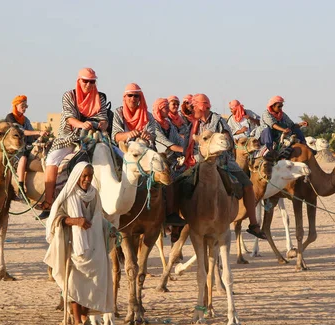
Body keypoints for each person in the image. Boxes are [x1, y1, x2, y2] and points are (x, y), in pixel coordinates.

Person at [44, 162, 114, 325]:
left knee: (92, 282)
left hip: (94, 245)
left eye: (90, 176)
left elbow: (98, 217)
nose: (87, 179)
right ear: (77, 176)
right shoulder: (67, 196)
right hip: (75, 246)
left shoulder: (94, 194)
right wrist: (75, 221)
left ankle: (85, 318)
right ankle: (77, 323)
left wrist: (110, 228)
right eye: (84, 176)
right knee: (75, 283)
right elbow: (56, 219)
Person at [184, 93, 266, 239]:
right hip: (199, 162)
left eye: (193, 106)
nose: (191, 109)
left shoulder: (218, 121)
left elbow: (227, 142)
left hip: (223, 161)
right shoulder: (193, 124)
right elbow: (188, 147)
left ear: (201, 107)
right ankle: (179, 223)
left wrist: (213, 150)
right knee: (180, 184)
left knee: (247, 185)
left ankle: (254, 224)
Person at [38, 68, 109, 219]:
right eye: (86, 81)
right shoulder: (69, 96)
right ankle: (49, 202)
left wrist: (101, 125)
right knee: (52, 159)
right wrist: (82, 125)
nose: (89, 84)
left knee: (117, 157)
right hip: (70, 137)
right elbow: (70, 118)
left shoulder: (99, 98)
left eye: (92, 81)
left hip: (94, 137)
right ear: (79, 81)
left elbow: (104, 120)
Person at [111, 83, 178, 153]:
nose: (133, 98)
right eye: (130, 95)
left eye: (136, 96)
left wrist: (148, 135)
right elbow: (115, 136)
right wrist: (129, 134)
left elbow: (153, 137)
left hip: (144, 150)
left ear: (140, 98)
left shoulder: (148, 116)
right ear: (124, 97)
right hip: (124, 150)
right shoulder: (119, 113)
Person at [151, 98, 186, 226]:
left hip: (174, 159)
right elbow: (166, 144)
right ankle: (169, 214)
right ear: (159, 109)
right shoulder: (153, 124)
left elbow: (178, 140)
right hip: (158, 158)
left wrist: (190, 150)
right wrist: (184, 151)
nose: (168, 110)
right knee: (168, 180)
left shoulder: (169, 125)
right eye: (165, 108)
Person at [4, 95, 47, 197]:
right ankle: (21, 187)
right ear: (16, 106)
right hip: (15, 149)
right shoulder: (10, 118)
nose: (24, 108)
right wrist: (38, 132)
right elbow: (21, 132)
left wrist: (41, 136)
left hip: (27, 147)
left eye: (25, 106)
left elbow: (31, 132)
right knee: (23, 158)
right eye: (22, 105)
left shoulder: (25, 120)